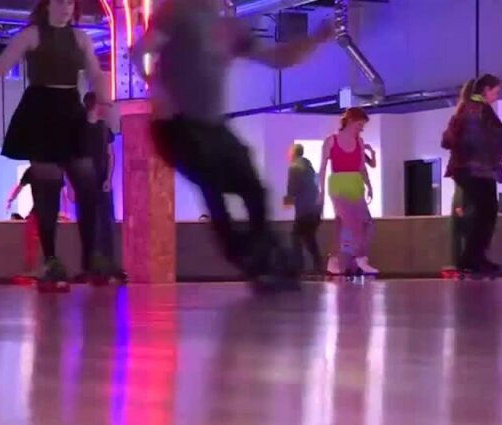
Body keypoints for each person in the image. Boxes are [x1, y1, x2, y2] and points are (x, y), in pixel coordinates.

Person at [130, 0, 335, 290]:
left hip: (213, 127)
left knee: (254, 188)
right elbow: (140, 51)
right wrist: (157, 87)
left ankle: (265, 257)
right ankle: (240, 252)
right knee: (210, 177)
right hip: (174, 124)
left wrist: (317, 39)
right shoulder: (178, 10)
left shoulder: (231, 27)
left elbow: (278, 58)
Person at [0, 0, 112, 291]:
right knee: (48, 191)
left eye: (70, 2)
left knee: (87, 183)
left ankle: (91, 257)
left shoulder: (80, 38)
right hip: (40, 111)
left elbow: (95, 73)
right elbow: (2, 64)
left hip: (70, 110)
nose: (66, 7)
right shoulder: (32, 34)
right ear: (47, 5)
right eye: (60, 1)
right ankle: (51, 260)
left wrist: (105, 99)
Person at [441, 73, 502, 276]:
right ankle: (472, 259)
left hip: (474, 170)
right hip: (476, 170)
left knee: (485, 213)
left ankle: (472, 258)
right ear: (486, 90)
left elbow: (495, 135)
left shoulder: (471, 109)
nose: (498, 96)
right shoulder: (478, 110)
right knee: (486, 213)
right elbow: (498, 135)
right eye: (496, 91)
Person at [317, 107, 378, 277]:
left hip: (356, 184)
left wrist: (369, 185)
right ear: (351, 121)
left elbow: (361, 167)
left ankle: (337, 261)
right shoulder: (331, 141)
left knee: (359, 225)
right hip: (338, 185)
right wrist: (321, 192)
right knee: (355, 224)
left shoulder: (359, 141)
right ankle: (360, 258)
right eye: (360, 125)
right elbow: (322, 168)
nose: (361, 129)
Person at [81, 91, 126, 282]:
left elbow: (110, 155)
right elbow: (74, 157)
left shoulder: (103, 128)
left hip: (100, 181)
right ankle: (92, 267)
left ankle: (108, 265)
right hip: (85, 182)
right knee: (89, 224)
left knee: (106, 222)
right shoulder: (80, 129)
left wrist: (108, 178)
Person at [283, 143, 322, 276]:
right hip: (315, 209)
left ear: (294, 153)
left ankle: (299, 268)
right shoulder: (309, 166)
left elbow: (292, 188)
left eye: (289, 152)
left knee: (296, 236)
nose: (288, 154)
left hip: (304, 209)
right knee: (309, 237)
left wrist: (287, 201)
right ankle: (318, 266)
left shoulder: (294, 167)